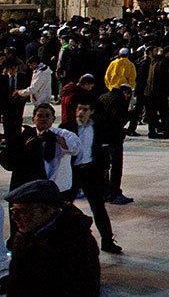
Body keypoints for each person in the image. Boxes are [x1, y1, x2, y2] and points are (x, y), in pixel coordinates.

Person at [5, 179, 101, 296]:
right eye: (13, 211)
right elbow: (16, 280)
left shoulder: (77, 242)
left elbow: (85, 288)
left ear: (47, 210)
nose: (15, 218)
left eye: (22, 211)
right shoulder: (25, 235)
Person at [60, 98, 121, 254]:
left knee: (98, 207)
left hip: (90, 172)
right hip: (72, 172)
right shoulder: (67, 128)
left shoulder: (98, 127)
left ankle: (107, 241)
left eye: (85, 109)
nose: (80, 113)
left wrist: (103, 171)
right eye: (79, 109)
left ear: (92, 111)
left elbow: (102, 150)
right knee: (64, 205)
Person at [96, 84, 134, 205]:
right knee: (116, 166)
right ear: (126, 93)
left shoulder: (103, 96)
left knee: (104, 166)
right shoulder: (120, 101)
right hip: (113, 137)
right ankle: (114, 193)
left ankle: (104, 192)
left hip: (100, 137)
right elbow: (119, 120)